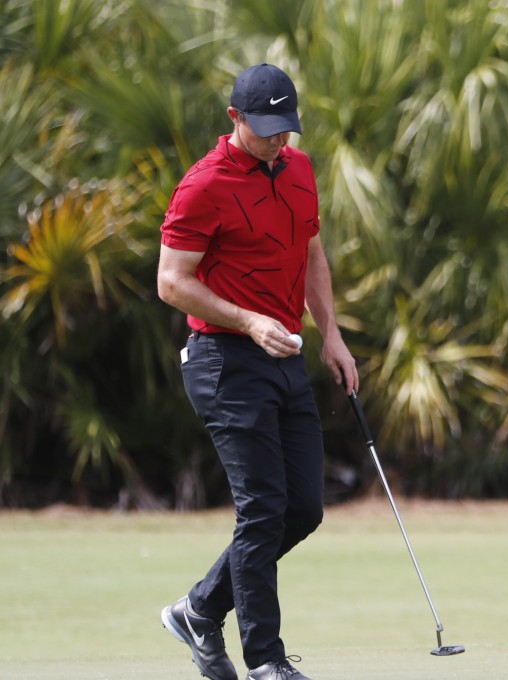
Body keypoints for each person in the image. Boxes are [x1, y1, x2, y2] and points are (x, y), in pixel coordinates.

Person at [157, 63, 359, 680]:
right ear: (235, 119)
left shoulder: (298, 169)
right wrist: (246, 320)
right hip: (224, 359)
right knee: (263, 509)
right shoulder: (203, 185)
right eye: (266, 129)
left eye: (286, 129)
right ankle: (267, 662)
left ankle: (198, 608)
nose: (278, 141)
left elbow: (312, 251)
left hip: (285, 354)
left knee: (304, 509)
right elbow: (171, 282)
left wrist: (333, 335)